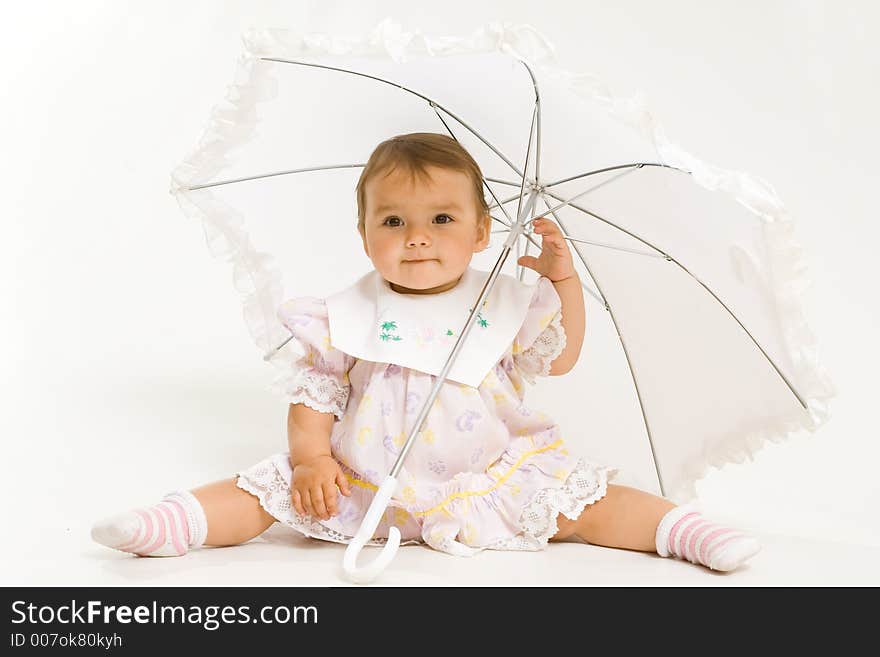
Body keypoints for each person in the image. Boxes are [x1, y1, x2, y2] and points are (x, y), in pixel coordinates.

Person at [92, 132, 761, 572]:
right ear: (364, 234)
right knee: (263, 493)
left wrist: (561, 279)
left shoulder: (497, 305)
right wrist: (313, 459)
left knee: (587, 504)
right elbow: (314, 399)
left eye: (442, 219)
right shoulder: (344, 316)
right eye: (394, 221)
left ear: (479, 233)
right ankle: (174, 521)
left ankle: (684, 530)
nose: (417, 238)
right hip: (362, 480)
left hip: (487, 477)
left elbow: (560, 356)